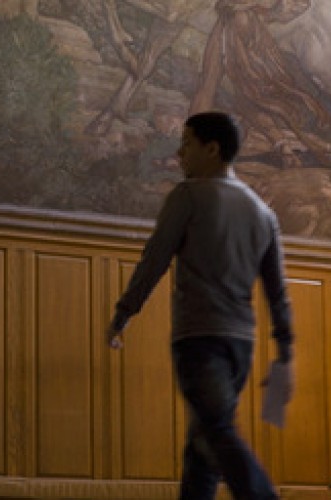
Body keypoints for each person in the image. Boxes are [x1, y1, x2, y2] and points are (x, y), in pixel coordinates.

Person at [106, 111, 293, 500]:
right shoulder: (264, 213)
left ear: (212, 149)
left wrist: (124, 312)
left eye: (187, 143)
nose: (179, 153)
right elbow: (277, 292)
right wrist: (285, 352)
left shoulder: (188, 196)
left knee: (218, 433)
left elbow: (154, 259)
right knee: (202, 449)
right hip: (241, 345)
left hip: (200, 338)